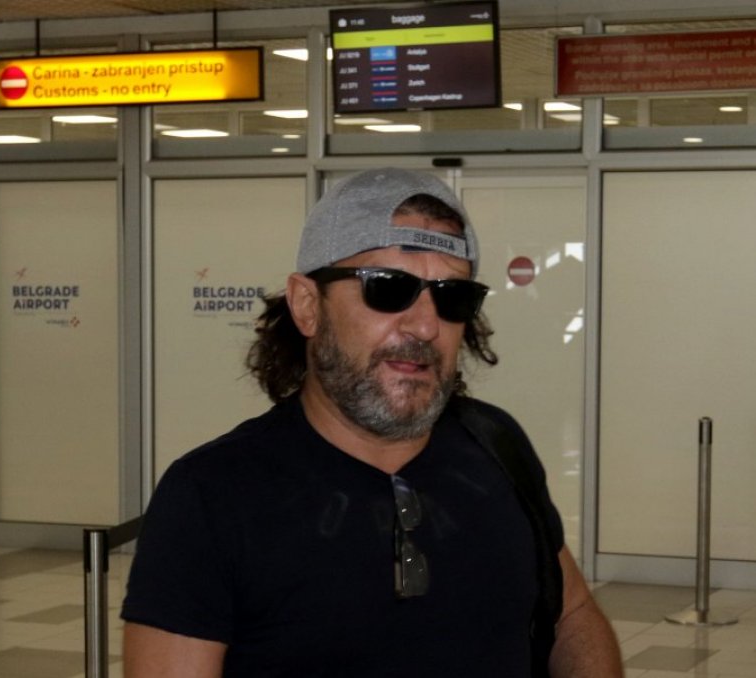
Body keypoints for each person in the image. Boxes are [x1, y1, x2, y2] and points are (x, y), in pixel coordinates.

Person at [121, 168, 623, 677]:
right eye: (388, 289)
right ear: (307, 305)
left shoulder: (495, 444)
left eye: (452, 296)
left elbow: (572, 614)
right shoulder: (212, 494)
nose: (425, 325)